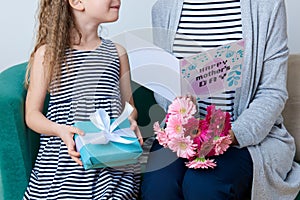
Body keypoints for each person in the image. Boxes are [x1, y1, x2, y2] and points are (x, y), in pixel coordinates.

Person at [141, 0, 300, 199]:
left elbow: (272, 91)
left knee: (202, 185)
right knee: (159, 187)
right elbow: (164, 85)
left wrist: (232, 135)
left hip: (242, 138)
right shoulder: (163, 9)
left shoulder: (267, 6)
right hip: (183, 137)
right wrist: (182, 115)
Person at [23, 0, 143, 199]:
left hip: (113, 161)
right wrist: (59, 130)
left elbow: (129, 106)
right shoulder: (48, 54)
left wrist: (129, 121)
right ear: (77, 2)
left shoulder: (117, 52)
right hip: (65, 164)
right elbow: (32, 115)